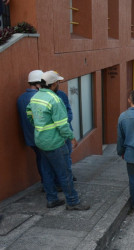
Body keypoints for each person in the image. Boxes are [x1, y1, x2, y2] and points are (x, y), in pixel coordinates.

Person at [27, 71, 90, 211]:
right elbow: (62, 125)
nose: (59, 84)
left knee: (46, 171)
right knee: (65, 173)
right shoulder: (54, 100)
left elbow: (30, 115)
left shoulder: (35, 97)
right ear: (54, 84)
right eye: (58, 82)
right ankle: (73, 201)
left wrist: (41, 128)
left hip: (40, 141)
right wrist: (72, 138)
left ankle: (52, 199)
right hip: (54, 142)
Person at [17, 70, 45, 184]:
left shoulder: (21, 98)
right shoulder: (39, 98)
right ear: (38, 84)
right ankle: (48, 185)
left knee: (40, 159)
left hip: (30, 137)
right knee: (46, 162)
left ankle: (45, 182)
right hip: (42, 137)